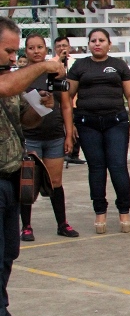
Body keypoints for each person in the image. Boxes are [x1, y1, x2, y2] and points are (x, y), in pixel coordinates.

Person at [0, 16, 65, 316]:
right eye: (9, 51)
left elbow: (19, 119)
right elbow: (8, 87)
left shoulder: (8, 77)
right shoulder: (8, 80)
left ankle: (2, 313)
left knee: (9, 250)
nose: (14, 57)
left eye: (15, 51)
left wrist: (41, 107)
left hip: (9, 173)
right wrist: (45, 66)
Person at [67, 28, 130, 234]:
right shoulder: (79, 66)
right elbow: (68, 95)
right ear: (88, 44)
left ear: (109, 44)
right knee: (96, 168)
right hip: (87, 123)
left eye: (101, 40)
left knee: (117, 166)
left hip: (116, 122)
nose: (97, 44)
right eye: (93, 40)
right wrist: (70, 125)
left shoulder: (118, 65)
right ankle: (100, 211)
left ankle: (124, 210)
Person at [18, 34, 79, 242]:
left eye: (40, 47)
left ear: (46, 49)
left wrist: (69, 134)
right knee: (28, 182)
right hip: (30, 136)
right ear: (25, 51)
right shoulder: (20, 75)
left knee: (55, 182)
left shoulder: (55, 73)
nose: (36, 51)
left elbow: (65, 105)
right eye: (31, 48)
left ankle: (62, 223)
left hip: (53, 134)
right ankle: (26, 226)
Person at [50, 36, 84, 165]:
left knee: (77, 127)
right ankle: (65, 152)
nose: (62, 48)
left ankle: (75, 153)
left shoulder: (76, 62)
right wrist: (60, 60)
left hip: (75, 100)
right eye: (59, 46)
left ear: (69, 47)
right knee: (64, 126)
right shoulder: (52, 62)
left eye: (64, 46)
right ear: (55, 49)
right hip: (61, 101)